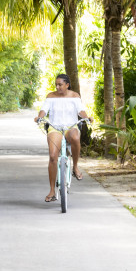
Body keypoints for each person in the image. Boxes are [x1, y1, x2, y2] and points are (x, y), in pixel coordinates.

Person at [34, 73, 90, 202]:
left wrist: (86, 117)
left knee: (75, 137)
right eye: (56, 85)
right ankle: (52, 191)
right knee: (53, 157)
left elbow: (80, 111)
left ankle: (75, 167)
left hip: (71, 126)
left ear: (67, 85)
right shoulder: (51, 96)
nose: (58, 87)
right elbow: (44, 110)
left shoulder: (75, 96)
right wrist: (40, 117)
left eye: (60, 84)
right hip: (55, 127)